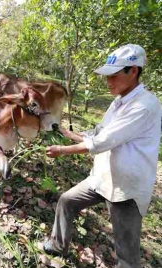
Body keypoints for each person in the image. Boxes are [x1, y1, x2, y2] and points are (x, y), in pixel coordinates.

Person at [44, 44, 161, 268]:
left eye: (114, 76)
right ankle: (57, 245)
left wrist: (62, 151)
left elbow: (103, 142)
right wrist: (71, 134)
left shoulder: (145, 106)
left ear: (133, 71)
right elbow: (99, 133)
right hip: (103, 177)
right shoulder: (119, 102)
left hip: (126, 188)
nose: (109, 82)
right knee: (67, 201)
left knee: (126, 252)